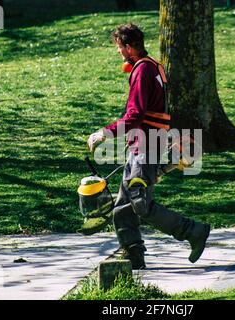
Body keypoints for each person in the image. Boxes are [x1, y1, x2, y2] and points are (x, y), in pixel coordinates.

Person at [87, 23, 210, 270]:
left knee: (140, 203)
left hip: (145, 145)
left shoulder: (142, 71)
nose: (119, 53)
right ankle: (133, 256)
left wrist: (105, 133)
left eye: (120, 48)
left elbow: (134, 115)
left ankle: (193, 231)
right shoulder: (154, 66)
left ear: (129, 47)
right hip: (142, 145)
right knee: (123, 207)